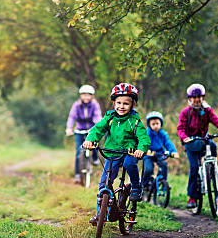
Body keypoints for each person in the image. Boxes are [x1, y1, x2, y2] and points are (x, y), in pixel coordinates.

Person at [82, 83, 150, 225]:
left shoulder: (134, 121)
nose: (121, 106)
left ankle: (136, 187)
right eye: (118, 103)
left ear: (132, 105)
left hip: (129, 151)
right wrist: (90, 140)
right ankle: (99, 215)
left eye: (126, 103)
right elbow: (97, 129)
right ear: (114, 103)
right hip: (112, 152)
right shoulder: (110, 118)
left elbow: (144, 137)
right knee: (104, 183)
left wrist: (140, 149)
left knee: (129, 163)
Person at [177, 83, 218, 209]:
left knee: (213, 146)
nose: (197, 99)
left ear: (203, 97)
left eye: (199, 97)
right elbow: (180, 128)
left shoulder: (207, 110)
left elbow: (216, 120)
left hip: (203, 140)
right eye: (194, 97)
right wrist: (184, 137)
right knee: (194, 167)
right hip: (191, 143)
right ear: (189, 99)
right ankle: (192, 197)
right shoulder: (185, 113)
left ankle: (213, 169)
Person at [65, 84, 102, 183]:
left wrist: (97, 127)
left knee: (94, 144)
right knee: (79, 151)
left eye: (88, 95)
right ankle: (77, 175)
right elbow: (72, 117)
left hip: (91, 129)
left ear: (92, 96)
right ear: (80, 96)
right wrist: (69, 128)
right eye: (84, 95)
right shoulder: (76, 105)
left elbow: (97, 116)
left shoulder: (95, 105)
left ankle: (95, 158)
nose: (86, 97)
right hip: (79, 130)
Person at [143, 111, 179, 190]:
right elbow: (144, 142)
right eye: (153, 124)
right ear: (149, 125)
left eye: (157, 124)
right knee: (149, 169)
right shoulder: (147, 133)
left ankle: (163, 182)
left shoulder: (163, 133)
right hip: (148, 154)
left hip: (159, 153)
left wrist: (173, 151)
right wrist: (146, 150)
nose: (155, 126)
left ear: (161, 124)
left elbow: (168, 143)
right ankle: (144, 184)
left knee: (164, 165)